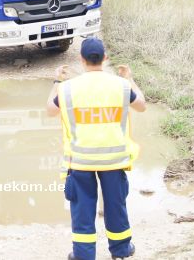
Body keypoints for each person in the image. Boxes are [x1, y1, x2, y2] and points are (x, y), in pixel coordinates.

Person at [46, 37, 147, 260]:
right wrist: (129, 79)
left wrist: (56, 82)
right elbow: (141, 105)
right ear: (105, 58)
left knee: (82, 210)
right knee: (115, 207)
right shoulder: (120, 86)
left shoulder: (68, 89)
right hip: (114, 160)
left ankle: (83, 255)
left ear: (81, 60)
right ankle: (120, 251)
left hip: (80, 161)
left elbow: (50, 111)